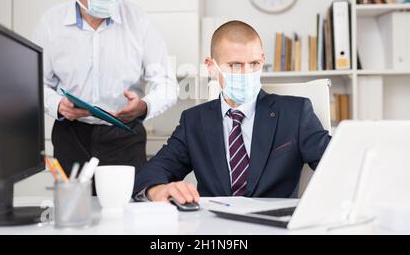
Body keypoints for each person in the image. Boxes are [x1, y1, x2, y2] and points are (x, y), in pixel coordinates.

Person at [134, 20, 331, 204]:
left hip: (273, 227)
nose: (246, 73)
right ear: (211, 67)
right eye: (235, 65)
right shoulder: (194, 120)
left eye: (254, 64)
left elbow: (336, 161)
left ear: (262, 60)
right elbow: (155, 170)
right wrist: (157, 190)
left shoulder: (295, 113)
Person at [32, 0, 178, 183]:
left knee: (129, 211)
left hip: (124, 136)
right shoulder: (51, 24)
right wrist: (58, 105)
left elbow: (167, 84)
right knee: (74, 212)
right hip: (71, 135)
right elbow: (35, 84)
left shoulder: (137, 20)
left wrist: (144, 106)